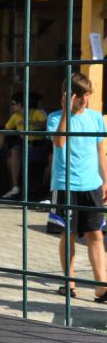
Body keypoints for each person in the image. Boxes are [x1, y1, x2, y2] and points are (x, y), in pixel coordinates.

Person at [47, 72, 107, 301]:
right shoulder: (55, 117)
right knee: (68, 234)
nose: (84, 100)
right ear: (68, 96)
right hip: (66, 185)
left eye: (87, 95)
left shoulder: (96, 118)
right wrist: (65, 111)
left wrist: (105, 180)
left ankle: (101, 287)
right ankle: (68, 282)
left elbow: (100, 152)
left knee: (96, 235)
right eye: (79, 95)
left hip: (91, 185)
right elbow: (59, 142)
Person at [0, 91, 48, 199]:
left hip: (38, 147)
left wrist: (30, 123)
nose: (12, 106)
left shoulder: (36, 113)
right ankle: (15, 187)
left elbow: (47, 124)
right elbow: (5, 129)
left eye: (13, 104)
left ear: (20, 104)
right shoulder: (15, 116)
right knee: (12, 155)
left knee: (11, 161)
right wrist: (0, 139)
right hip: (24, 146)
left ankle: (28, 188)